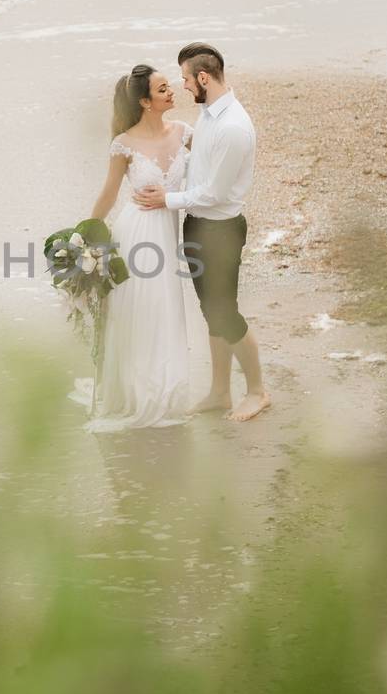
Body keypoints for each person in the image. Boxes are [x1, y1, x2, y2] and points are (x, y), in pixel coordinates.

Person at [134, 43, 270, 423]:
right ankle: (221, 391)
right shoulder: (210, 114)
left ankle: (257, 391)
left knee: (225, 312)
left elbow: (216, 192)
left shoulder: (233, 127)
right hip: (198, 224)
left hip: (221, 229)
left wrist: (167, 198)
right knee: (212, 312)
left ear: (203, 78)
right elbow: (198, 166)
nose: (183, 86)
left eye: (186, 79)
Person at [76, 64, 193, 432]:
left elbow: (206, 179)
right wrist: (84, 235)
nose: (172, 90)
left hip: (166, 230)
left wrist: (174, 197)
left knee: (164, 307)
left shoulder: (186, 133)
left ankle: (164, 386)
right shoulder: (123, 143)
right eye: (162, 89)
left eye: (169, 85)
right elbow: (110, 194)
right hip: (136, 234)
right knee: (139, 310)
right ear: (145, 101)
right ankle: (137, 392)